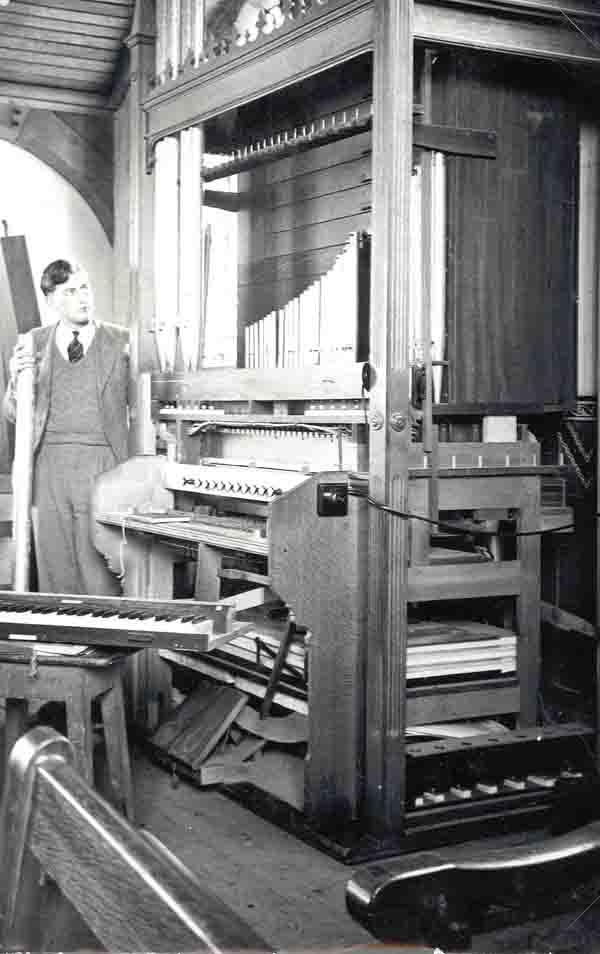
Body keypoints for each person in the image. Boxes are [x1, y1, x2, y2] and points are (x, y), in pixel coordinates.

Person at [2, 259, 129, 595]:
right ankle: (59, 645)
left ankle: (105, 641)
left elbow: (143, 405)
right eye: (70, 291)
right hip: (48, 466)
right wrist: (17, 380)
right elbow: (13, 413)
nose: (82, 297)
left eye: (85, 287)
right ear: (52, 300)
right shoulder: (33, 342)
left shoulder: (121, 341)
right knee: (54, 563)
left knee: (99, 567)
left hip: (104, 465)